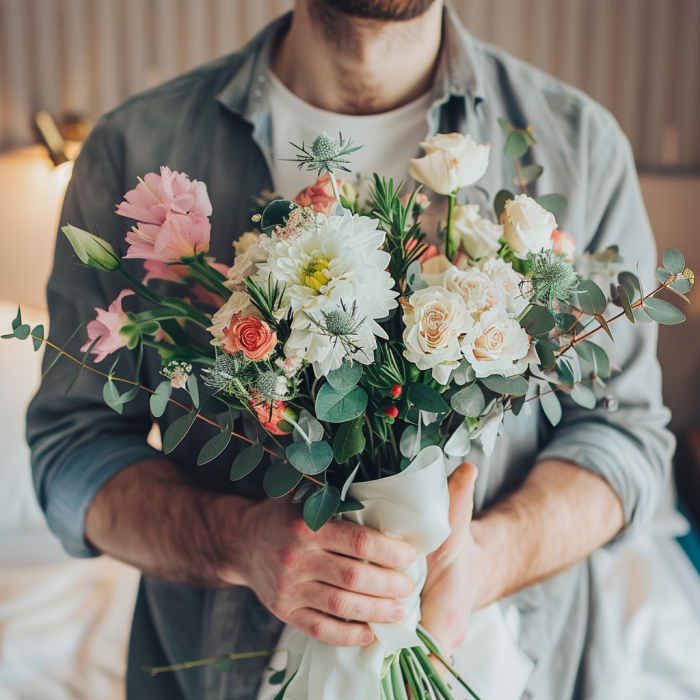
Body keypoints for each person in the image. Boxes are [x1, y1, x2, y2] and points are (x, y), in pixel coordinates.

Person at [27, 1, 674, 698]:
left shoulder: (581, 146)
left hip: (511, 671)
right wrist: (238, 543)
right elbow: (74, 449)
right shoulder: (136, 147)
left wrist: (490, 560)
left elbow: (624, 435)